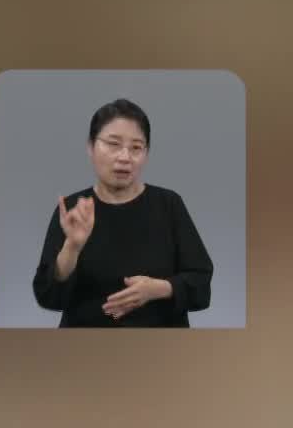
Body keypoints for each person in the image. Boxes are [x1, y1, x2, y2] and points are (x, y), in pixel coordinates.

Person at [31, 98, 213, 327]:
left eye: (136, 147)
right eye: (113, 144)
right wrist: (72, 246)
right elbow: (48, 296)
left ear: (146, 153)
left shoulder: (169, 205)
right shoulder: (74, 210)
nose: (124, 157)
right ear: (90, 147)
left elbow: (201, 283)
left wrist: (159, 289)